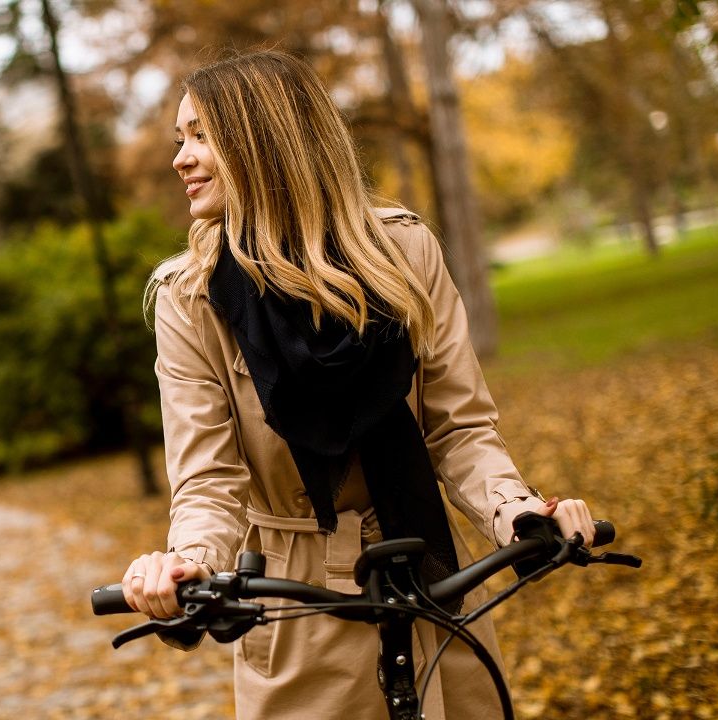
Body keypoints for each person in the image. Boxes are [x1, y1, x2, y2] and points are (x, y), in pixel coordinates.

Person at [120, 50, 596, 720]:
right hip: (296, 609)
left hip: (433, 581)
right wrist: (189, 563)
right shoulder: (190, 298)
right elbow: (208, 479)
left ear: (266, 142)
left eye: (201, 135)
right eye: (180, 140)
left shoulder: (403, 253)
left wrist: (517, 511)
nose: (181, 158)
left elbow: (458, 428)